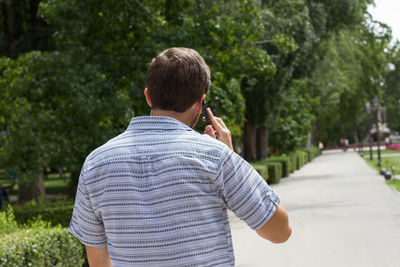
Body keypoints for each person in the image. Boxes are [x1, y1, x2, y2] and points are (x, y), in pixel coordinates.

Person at [69, 47, 291, 267]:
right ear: (200, 102)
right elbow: (280, 231)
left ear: (148, 96)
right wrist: (231, 158)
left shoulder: (95, 163)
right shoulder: (215, 157)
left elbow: (98, 261)